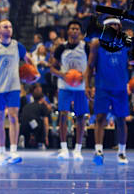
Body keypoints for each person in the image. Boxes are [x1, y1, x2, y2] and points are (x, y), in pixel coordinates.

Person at [0, 19, 36, 165]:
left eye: (10, 26)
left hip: (13, 87)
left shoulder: (18, 46)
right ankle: (1, 152)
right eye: (5, 26)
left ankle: (13, 150)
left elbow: (28, 60)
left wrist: (35, 74)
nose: (8, 29)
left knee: (13, 117)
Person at [85, 17, 131, 165]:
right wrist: (87, 85)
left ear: (119, 27)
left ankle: (122, 152)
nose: (113, 27)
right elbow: (90, 66)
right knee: (100, 118)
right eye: (110, 25)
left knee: (121, 120)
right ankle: (98, 150)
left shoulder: (126, 43)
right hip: (102, 87)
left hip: (120, 88)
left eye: (115, 25)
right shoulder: (96, 44)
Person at [50, 20, 89, 161]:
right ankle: (64, 148)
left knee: (81, 116)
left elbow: (92, 66)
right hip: (65, 86)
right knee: (63, 115)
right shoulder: (61, 48)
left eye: (77, 28)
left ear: (80, 32)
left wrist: (85, 77)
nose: (74, 30)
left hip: (80, 87)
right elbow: (52, 68)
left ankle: (78, 150)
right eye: (72, 28)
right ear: (68, 31)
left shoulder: (86, 47)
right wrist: (63, 75)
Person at [19, 84, 50, 150]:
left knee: (31, 123)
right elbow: (46, 123)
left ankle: (23, 137)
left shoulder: (27, 106)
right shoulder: (42, 106)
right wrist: (46, 137)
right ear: (42, 99)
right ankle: (41, 142)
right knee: (41, 123)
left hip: (23, 127)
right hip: (34, 126)